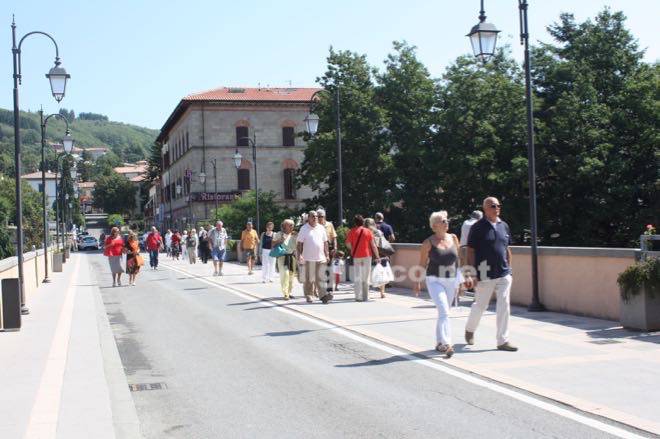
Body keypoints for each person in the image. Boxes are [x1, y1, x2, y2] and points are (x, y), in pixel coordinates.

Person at [464, 197, 518, 352]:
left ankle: (503, 341)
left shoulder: (504, 226)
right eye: (493, 206)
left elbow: (506, 248)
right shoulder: (478, 227)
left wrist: (509, 268)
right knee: (480, 305)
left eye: (498, 205)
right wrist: (471, 273)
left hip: (503, 273)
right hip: (484, 273)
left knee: (504, 305)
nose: (497, 208)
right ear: (485, 209)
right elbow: (470, 250)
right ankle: (470, 329)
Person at [414, 211, 463, 358]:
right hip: (434, 280)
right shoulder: (428, 243)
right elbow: (422, 264)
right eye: (443, 221)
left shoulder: (453, 238)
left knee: (444, 313)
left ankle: (439, 343)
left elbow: (458, 261)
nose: (446, 222)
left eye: (447, 220)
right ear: (435, 226)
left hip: (451, 281)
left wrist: (460, 281)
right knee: (444, 311)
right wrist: (417, 282)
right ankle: (447, 344)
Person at [297, 211, 332, 304]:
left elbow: (325, 242)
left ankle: (323, 295)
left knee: (321, 277)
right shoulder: (304, 229)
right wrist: (299, 255)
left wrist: (327, 254)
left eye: (316, 216)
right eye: (313, 216)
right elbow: (299, 243)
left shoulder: (321, 228)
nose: (315, 218)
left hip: (320, 257)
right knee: (309, 279)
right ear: (308, 218)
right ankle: (309, 295)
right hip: (307, 258)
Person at [345, 215, 380, 302]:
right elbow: (373, 245)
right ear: (362, 222)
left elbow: (348, 244)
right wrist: (377, 256)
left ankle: (358, 296)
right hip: (367, 256)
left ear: (355, 222)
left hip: (357, 256)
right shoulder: (368, 231)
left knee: (358, 276)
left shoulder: (352, 231)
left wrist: (352, 249)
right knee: (366, 276)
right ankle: (366, 296)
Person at [365, 217, 391, 299]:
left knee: (368, 274)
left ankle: (367, 292)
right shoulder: (379, 232)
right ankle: (382, 293)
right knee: (381, 273)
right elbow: (384, 243)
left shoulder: (366, 232)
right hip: (381, 255)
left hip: (370, 255)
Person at [272, 219, 297, 300]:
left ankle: (289, 292)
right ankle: (285, 293)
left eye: (292, 225)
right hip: (282, 257)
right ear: (284, 226)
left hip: (292, 257)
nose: (292, 226)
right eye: (290, 225)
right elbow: (273, 244)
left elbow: (298, 245)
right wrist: (281, 240)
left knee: (291, 275)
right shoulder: (279, 234)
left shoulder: (294, 234)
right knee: (285, 274)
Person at [317, 208, 337, 294]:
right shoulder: (315, 226)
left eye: (321, 216)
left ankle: (329, 288)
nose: (320, 218)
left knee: (329, 269)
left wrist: (335, 247)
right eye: (318, 216)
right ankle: (320, 289)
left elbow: (334, 236)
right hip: (319, 249)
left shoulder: (329, 225)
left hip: (329, 247)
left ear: (324, 216)